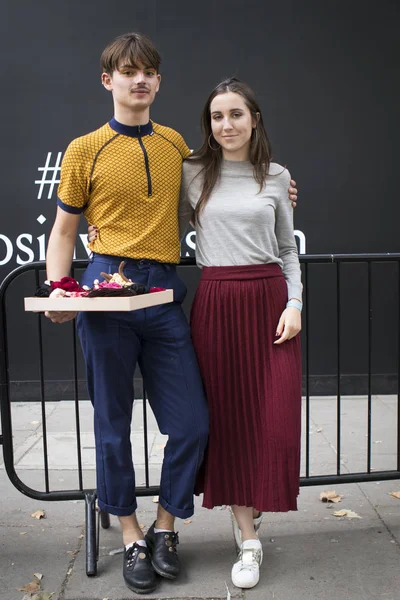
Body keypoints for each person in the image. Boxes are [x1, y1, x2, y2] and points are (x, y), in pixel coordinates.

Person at [68, 34, 298, 595]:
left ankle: (167, 526)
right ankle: (130, 535)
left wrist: (281, 186)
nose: (226, 124)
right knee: (112, 427)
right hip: (125, 290)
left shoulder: (210, 160)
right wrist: (72, 280)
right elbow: (86, 218)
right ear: (109, 80)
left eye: (236, 114)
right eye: (127, 72)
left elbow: (276, 229)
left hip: (186, 296)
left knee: (196, 423)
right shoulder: (118, 152)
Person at [179, 78, 303, 590]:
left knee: (273, 420)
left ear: (254, 119)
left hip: (271, 302)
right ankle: (247, 535)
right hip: (218, 301)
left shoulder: (276, 176)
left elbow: (288, 248)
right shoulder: (191, 172)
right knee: (229, 419)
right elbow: (151, 217)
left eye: (235, 114)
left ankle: (252, 504)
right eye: (216, 116)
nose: (225, 125)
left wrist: (295, 302)